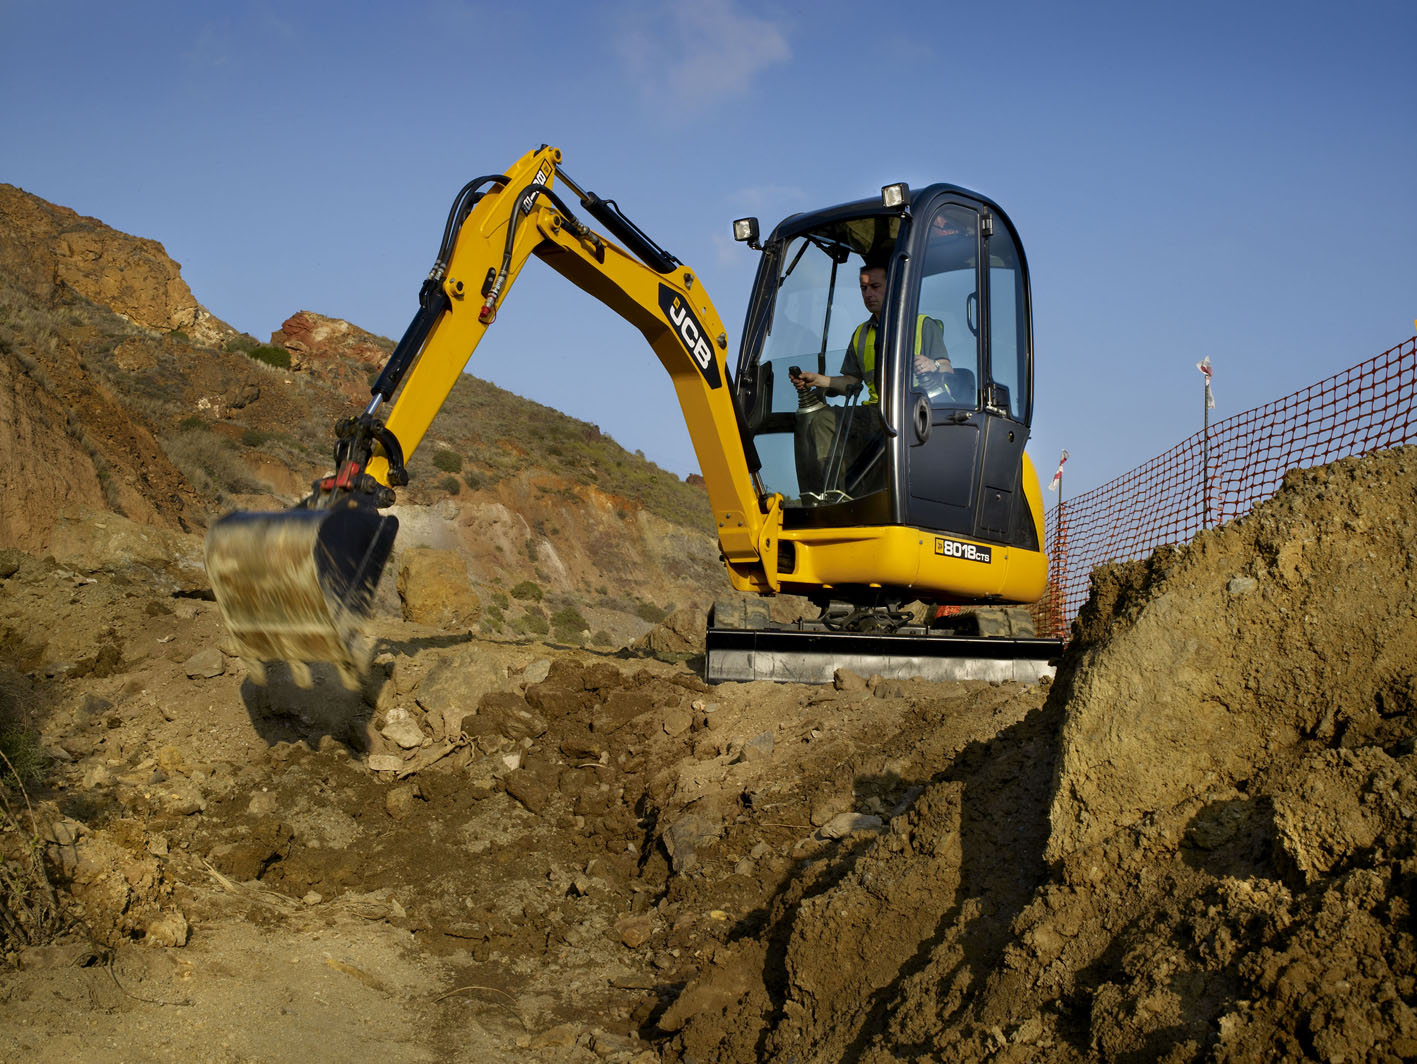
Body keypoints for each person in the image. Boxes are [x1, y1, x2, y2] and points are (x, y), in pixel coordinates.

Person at [790, 261, 954, 499]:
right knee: (823, 420)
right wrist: (818, 380)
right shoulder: (860, 334)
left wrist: (933, 364)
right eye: (863, 288)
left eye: (875, 287)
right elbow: (852, 381)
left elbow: (948, 369)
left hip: (916, 412)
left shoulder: (921, 325)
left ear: (893, 287)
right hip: (875, 413)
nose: (868, 294)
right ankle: (833, 495)